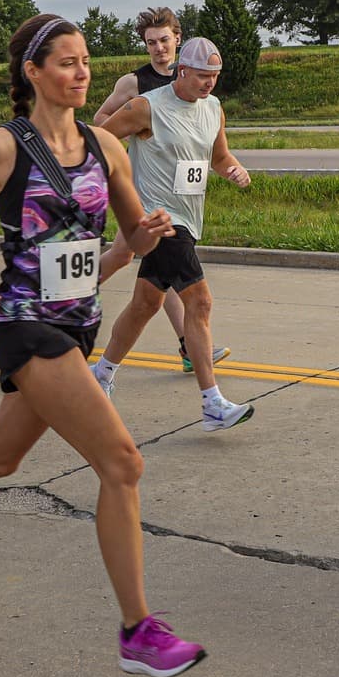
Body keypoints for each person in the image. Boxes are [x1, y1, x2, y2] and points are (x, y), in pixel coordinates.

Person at [0, 14, 208, 677]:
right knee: (123, 463)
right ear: (33, 71)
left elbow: (125, 242)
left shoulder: (105, 148)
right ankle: (138, 629)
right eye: (66, 62)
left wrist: (146, 234)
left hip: (78, 321)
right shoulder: (1, 147)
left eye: (86, 61)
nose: (82, 72)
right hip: (25, 323)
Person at [90, 37, 256, 430]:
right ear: (182, 71)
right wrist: (118, 189)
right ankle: (212, 403)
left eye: (215, 77)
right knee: (200, 303)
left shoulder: (213, 109)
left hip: (189, 217)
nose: (209, 84)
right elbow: (102, 143)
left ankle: (101, 374)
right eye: (202, 76)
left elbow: (218, 157)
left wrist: (234, 169)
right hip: (158, 220)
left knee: (145, 306)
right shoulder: (147, 107)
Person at [94, 7, 229, 374]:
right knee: (190, 293)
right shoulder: (135, 86)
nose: (157, 48)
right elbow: (102, 125)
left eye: (163, 40)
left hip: (184, 198)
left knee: (144, 292)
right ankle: (198, 361)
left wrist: (228, 165)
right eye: (150, 42)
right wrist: (127, 157)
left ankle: (71, 304)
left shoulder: (201, 92)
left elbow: (215, 149)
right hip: (148, 199)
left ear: (178, 42)